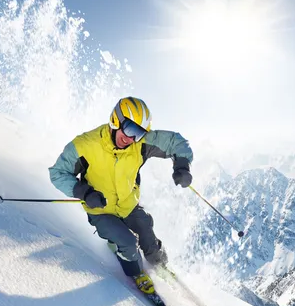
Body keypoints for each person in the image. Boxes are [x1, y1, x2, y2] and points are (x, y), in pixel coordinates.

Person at [49, 97, 193, 295]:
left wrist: (182, 166)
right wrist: (84, 192)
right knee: (127, 242)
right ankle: (135, 273)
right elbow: (57, 173)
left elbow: (176, 141)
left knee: (146, 231)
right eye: (129, 129)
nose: (131, 138)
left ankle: (160, 264)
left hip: (128, 205)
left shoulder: (139, 143)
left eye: (139, 133)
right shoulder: (85, 145)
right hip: (100, 209)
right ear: (115, 120)